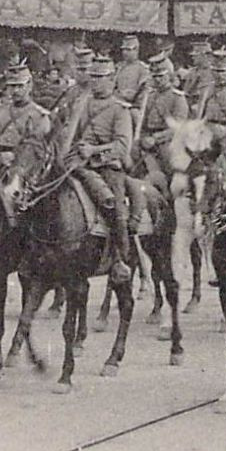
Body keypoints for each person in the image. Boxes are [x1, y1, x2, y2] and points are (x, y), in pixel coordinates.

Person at [64, 57, 136, 284]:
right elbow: (70, 135)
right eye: (92, 76)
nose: (94, 82)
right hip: (77, 164)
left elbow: (122, 146)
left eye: (100, 77)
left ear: (112, 79)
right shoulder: (81, 104)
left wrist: (94, 150)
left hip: (107, 167)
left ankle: (119, 258)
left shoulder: (120, 110)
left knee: (113, 206)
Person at [0, 61, 52, 176]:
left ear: (29, 85)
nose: (15, 90)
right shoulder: (2, 111)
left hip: (25, 171)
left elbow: (41, 154)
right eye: (12, 86)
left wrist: (16, 159)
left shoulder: (39, 116)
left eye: (20, 86)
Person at [135, 51, 189, 194]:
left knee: (169, 160)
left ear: (169, 76)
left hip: (169, 140)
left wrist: (156, 139)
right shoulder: (149, 96)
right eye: (155, 76)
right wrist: (141, 138)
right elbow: (143, 123)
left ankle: (172, 195)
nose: (158, 80)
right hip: (147, 139)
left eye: (161, 76)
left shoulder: (178, 98)